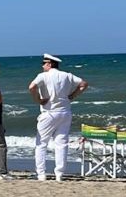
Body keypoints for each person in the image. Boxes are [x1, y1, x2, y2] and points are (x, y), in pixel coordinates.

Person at [27, 53, 88, 181]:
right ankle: (59, 173)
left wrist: (38, 100)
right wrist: (72, 96)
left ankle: (41, 173)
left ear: (49, 64)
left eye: (44, 63)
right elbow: (83, 84)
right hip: (65, 112)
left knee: (41, 143)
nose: (43, 66)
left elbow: (31, 87)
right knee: (61, 143)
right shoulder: (67, 75)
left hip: (49, 112)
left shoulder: (43, 76)